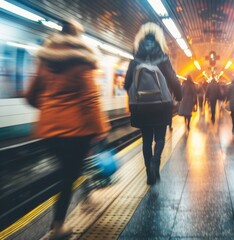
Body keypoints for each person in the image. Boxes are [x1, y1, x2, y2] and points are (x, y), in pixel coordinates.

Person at [25, 19, 110, 239]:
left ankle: (86, 198)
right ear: (77, 37)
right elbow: (91, 99)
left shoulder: (45, 60)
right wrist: (101, 128)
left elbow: (31, 96)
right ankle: (58, 226)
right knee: (68, 174)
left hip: (50, 131)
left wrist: (50, 111)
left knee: (68, 171)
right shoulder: (82, 60)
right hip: (76, 131)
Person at [124, 22, 182, 185]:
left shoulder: (135, 58)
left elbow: (127, 83)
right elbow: (174, 80)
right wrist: (179, 96)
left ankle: (149, 172)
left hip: (141, 106)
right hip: (161, 105)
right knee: (160, 138)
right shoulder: (163, 57)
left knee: (146, 140)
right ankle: (155, 164)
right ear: (159, 38)